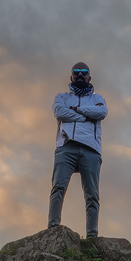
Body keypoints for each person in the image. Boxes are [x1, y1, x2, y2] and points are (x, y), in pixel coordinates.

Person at [48, 62, 108, 238]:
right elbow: (59, 112)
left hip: (91, 149)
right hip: (66, 147)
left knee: (92, 195)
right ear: (71, 77)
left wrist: (76, 110)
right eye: (76, 72)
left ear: (89, 77)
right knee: (58, 187)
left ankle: (92, 236)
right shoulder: (62, 97)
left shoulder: (98, 99)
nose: (80, 75)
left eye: (84, 72)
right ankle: (53, 229)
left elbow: (102, 112)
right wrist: (85, 117)